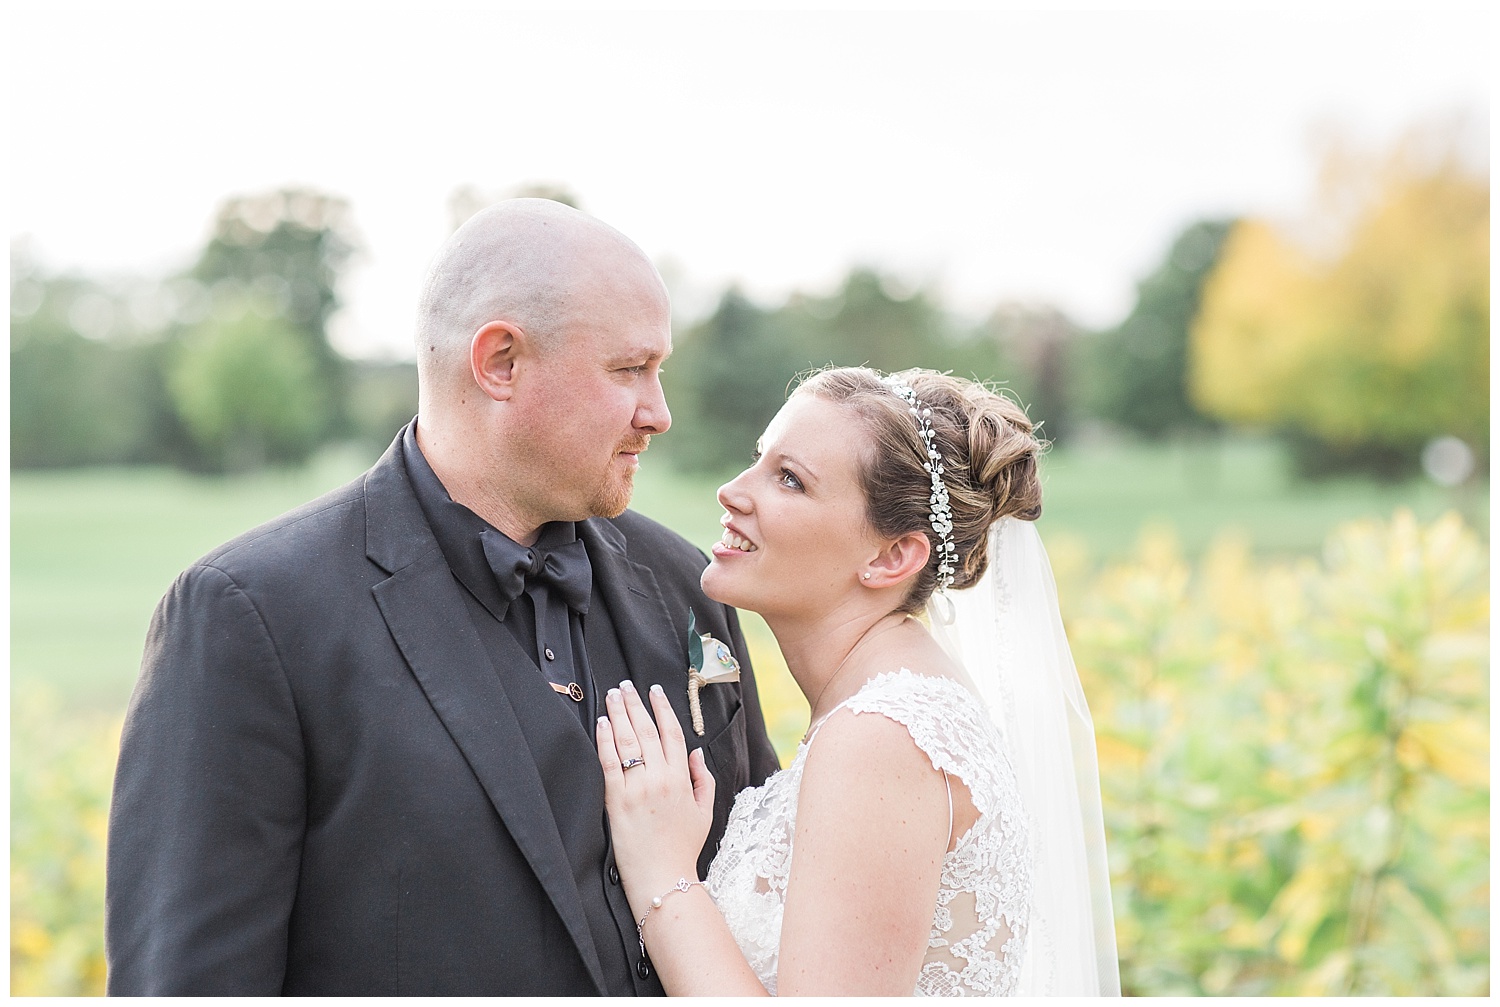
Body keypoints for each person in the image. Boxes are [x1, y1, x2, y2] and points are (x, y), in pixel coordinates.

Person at [105, 198, 782, 995]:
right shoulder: (250, 615)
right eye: (629, 370)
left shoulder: (687, 585)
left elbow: (757, 889)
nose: (658, 412)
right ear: (499, 362)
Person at [596, 366, 1120, 996]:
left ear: (890, 556)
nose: (732, 491)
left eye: (790, 480)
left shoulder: (882, 738)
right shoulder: (895, 706)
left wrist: (662, 872)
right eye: (758, 461)